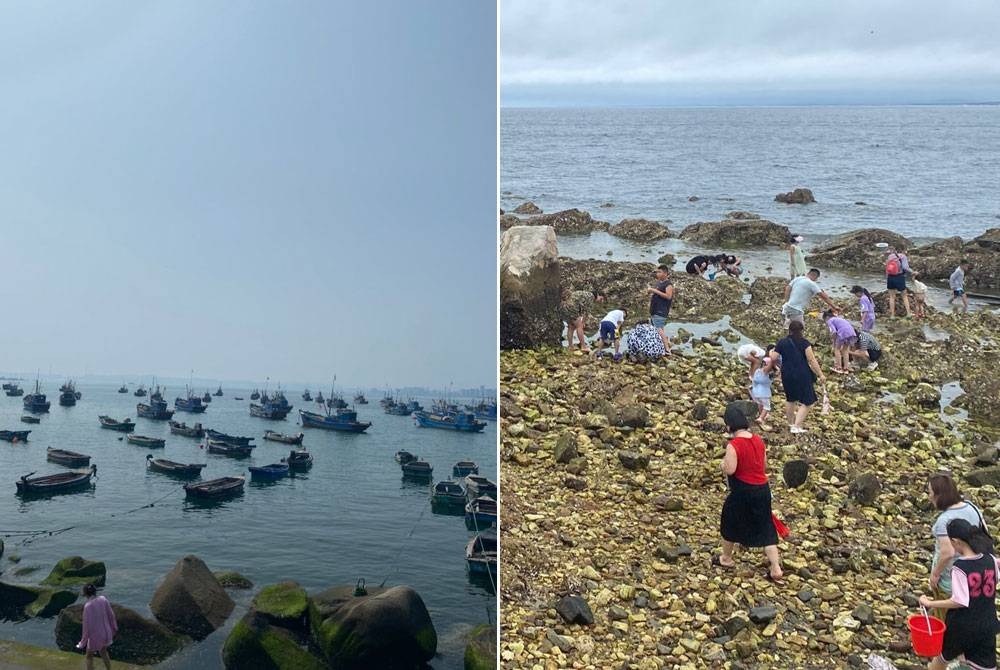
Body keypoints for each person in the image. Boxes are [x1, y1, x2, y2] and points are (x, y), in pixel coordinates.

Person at [714, 402, 783, 582]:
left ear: (729, 426)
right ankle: (775, 567)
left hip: (743, 490)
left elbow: (730, 469)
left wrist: (722, 464)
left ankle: (726, 558)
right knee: (766, 526)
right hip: (762, 489)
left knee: (729, 521)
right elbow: (765, 465)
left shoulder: (734, 445)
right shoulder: (758, 440)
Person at [918, 518, 997, 670]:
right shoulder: (990, 560)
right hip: (988, 623)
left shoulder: (960, 566)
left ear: (955, 541)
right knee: (985, 666)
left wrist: (930, 603)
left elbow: (960, 600)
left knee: (941, 658)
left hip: (963, 626)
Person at [925, 474, 988, 620]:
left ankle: (939, 638)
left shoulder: (944, 520)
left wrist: (935, 574)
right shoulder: (972, 508)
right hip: (975, 573)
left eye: (930, 493)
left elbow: (947, 553)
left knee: (946, 614)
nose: (929, 497)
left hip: (950, 577)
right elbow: (984, 535)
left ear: (939, 496)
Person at [774, 320, 826, 433]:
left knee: (790, 398)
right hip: (802, 373)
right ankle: (797, 426)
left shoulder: (782, 342)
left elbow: (774, 357)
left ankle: (791, 424)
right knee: (808, 400)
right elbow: (811, 360)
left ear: (789, 330)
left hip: (786, 373)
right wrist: (820, 374)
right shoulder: (804, 343)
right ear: (801, 330)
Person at [77, 583, 117, 670]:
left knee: (89, 656)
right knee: (103, 651)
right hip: (106, 633)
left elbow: (86, 628)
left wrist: (82, 643)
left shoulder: (88, 606)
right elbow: (111, 615)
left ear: (85, 594)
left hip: (96, 636)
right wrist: (114, 628)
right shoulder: (103, 599)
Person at [559, 288, 604, 353]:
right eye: (601, 299)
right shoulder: (591, 297)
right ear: (597, 294)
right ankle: (583, 346)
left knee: (571, 327)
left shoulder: (584, 293)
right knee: (579, 327)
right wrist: (583, 323)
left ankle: (570, 346)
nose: (601, 301)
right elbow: (586, 313)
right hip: (571, 308)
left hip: (564, 307)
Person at [646, 264, 673, 352]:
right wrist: (650, 292)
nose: (657, 274)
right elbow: (656, 294)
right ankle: (663, 346)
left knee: (658, 329)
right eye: (657, 272)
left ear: (665, 273)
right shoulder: (658, 283)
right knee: (660, 329)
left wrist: (654, 290)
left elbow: (668, 296)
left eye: (659, 272)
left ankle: (667, 349)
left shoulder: (668, 284)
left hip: (661, 310)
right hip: (654, 309)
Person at [823, 309, 858, 373]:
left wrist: (833, 341)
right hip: (851, 333)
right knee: (845, 350)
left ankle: (838, 367)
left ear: (826, 318)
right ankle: (846, 368)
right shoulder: (838, 319)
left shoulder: (830, 320)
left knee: (837, 349)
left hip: (843, 332)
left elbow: (833, 332)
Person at [750, 347, 778, 429]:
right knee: (767, 406)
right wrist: (772, 356)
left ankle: (761, 414)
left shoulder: (758, 370)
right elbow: (772, 365)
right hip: (764, 392)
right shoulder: (766, 371)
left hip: (755, 392)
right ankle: (761, 418)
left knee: (760, 404)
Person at [884, 246, 911, 318]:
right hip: (899, 277)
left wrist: (887, 277)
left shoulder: (890, 256)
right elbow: (905, 267)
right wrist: (913, 272)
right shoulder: (903, 256)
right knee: (904, 296)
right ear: (903, 250)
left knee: (892, 297)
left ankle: (892, 315)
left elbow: (887, 267)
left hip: (890, 277)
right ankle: (908, 314)